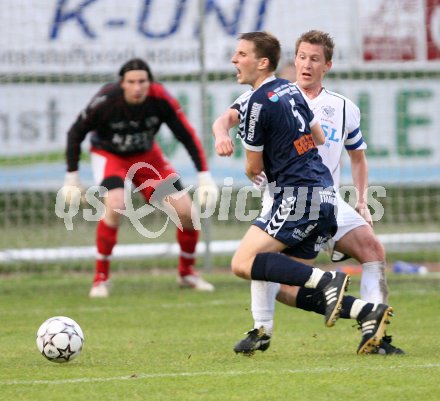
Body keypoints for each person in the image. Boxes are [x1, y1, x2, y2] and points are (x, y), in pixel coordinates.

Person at [213, 31, 394, 355]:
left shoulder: (340, 106)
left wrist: (362, 201)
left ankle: (376, 335)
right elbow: (317, 138)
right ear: (292, 60)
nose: (306, 64)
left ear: (327, 65)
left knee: (370, 249)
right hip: (301, 195)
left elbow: (353, 154)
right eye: (301, 57)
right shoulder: (284, 92)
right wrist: (224, 135)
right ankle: (358, 312)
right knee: (276, 274)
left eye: (314, 59)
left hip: (312, 196)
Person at [61, 58, 218, 297]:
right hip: (110, 156)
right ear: (122, 83)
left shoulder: (160, 99)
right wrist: (72, 178)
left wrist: (204, 175)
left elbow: (186, 135)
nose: (137, 87)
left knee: (186, 212)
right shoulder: (106, 101)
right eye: (131, 82)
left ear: (150, 82)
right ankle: (100, 278)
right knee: (115, 205)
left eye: (142, 81)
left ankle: (187, 274)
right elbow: (75, 133)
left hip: (147, 158)